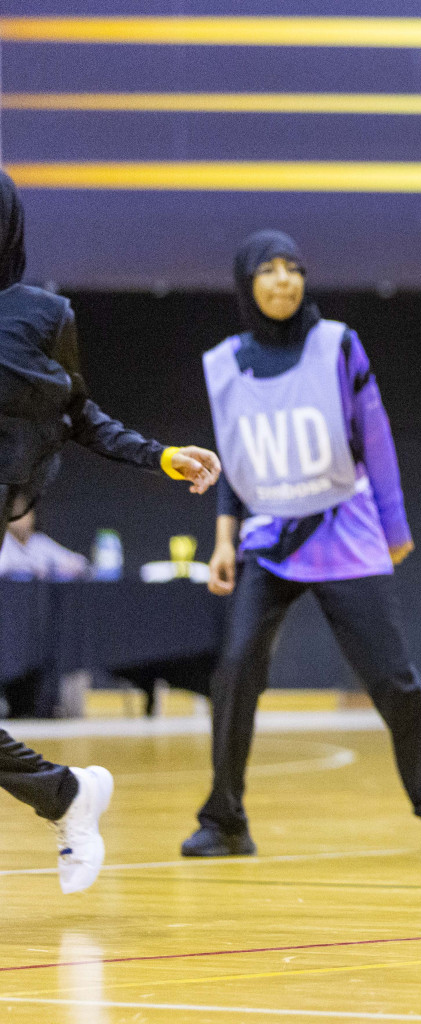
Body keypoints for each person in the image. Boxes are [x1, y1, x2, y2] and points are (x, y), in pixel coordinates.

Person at [182, 230, 421, 857]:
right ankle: (225, 821)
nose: (284, 280)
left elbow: (378, 439)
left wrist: (394, 531)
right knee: (233, 673)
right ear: (246, 283)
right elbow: (233, 462)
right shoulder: (224, 363)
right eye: (269, 270)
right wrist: (224, 542)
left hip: (344, 528)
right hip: (269, 537)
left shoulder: (337, 344)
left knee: (390, 679)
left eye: (294, 268)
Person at [0, 168, 222, 893]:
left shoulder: (39, 317)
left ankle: (66, 794)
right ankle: (65, 794)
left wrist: (159, 455)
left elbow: (78, 416)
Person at [0, 509, 89, 580]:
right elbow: (3, 567)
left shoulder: (39, 541)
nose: (23, 520)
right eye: (18, 516)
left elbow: (79, 562)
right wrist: (34, 568)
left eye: (26, 515)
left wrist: (55, 568)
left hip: (37, 595)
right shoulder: (4, 539)